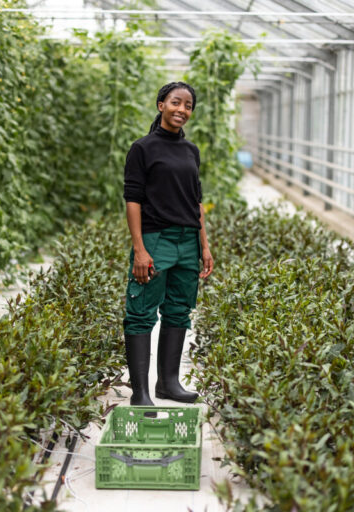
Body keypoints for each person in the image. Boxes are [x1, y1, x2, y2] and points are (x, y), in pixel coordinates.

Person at [122, 82, 214, 406]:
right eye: (176, 102)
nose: (182, 110)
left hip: (187, 241)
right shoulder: (142, 148)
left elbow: (196, 201)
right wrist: (140, 249)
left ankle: (169, 383)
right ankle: (141, 392)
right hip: (155, 239)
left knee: (178, 311)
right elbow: (132, 200)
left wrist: (204, 245)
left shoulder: (191, 152)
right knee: (141, 312)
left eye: (188, 105)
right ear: (161, 104)